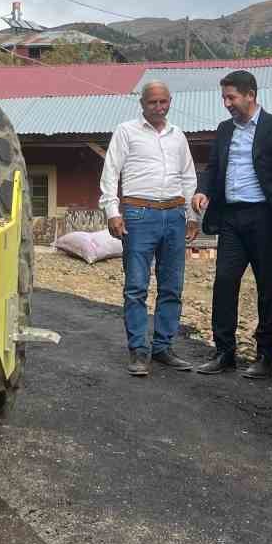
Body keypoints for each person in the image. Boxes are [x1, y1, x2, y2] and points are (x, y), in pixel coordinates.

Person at [193, 70, 272, 378]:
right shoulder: (223, 130)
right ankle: (224, 352)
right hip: (230, 217)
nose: (227, 103)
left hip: (264, 217)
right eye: (224, 98)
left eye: (231, 97)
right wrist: (203, 189)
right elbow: (213, 167)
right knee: (224, 281)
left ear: (250, 95)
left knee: (267, 286)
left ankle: (265, 355)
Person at [100, 82, 199, 376]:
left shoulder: (177, 135)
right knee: (136, 287)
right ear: (142, 103)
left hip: (174, 214)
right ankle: (138, 351)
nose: (159, 107)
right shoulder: (126, 131)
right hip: (138, 214)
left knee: (172, 286)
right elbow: (111, 173)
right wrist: (112, 212)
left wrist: (192, 216)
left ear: (170, 102)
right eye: (153, 102)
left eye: (163, 101)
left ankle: (163, 347)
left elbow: (188, 176)